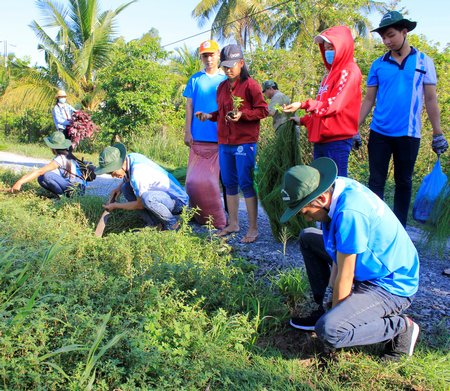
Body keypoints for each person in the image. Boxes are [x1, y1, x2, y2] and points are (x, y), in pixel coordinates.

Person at [280, 157, 420, 360]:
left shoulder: (350, 212)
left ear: (320, 199)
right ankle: (324, 310)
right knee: (308, 237)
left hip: (391, 284)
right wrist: (331, 301)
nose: (306, 218)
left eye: (305, 212)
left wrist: (335, 321)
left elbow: (345, 274)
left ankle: (401, 328)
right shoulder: (336, 189)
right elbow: (338, 254)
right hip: (365, 266)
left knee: (330, 331)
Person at [359, 11, 448, 227]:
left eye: (391, 35)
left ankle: (398, 229)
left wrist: (438, 133)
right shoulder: (378, 64)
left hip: (409, 134)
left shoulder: (423, 61)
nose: (387, 41)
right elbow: (369, 99)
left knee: (404, 182)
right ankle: (375, 225)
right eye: (383, 38)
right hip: (379, 132)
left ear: (404, 32)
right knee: (376, 181)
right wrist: (354, 128)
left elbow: (431, 99)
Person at [196, 44, 268, 243]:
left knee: (246, 183)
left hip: (244, 142)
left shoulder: (251, 85)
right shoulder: (221, 87)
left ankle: (253, 228)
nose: (228, 69)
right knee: (228, 183)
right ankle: (233, 223)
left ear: (241, 63)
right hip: (224, 141)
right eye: (225, 66)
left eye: (232, 65)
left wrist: (242, 115)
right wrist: (209, 116)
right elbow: (221, 113)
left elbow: (263, 110)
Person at [283, 25, 362, 177]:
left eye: (332, 47)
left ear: (343, 47)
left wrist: (303, 104)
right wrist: (303, 120)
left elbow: (333, 106)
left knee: (335, 185)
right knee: (322, 189)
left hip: (336, 141)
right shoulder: (328, 76)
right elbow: (321, 113)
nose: (328, 52)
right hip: (321, 141)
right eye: (325, 48)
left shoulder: (349, 71)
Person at [183, 40, 227, 229]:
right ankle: (196, 214)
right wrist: (187, 131)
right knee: (194, 181)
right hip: (198, 137)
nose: (208, 59)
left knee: (221, 180)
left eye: (211, 55)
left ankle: (226, 217)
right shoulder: (195, 79)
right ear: (201, 58)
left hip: (221, 137)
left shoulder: (226, 79)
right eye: (204, 56)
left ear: (218, 55)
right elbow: (189, 106)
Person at [95, 143, 189, 230]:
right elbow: (127, 177)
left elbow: (139, 205)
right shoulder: (130, 159)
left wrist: (115, 206)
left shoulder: (138, 174)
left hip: (178, 202)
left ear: (119, 164)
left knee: (147, 199)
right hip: (164, 197)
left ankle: (172, 224)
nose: (112, 175)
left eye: (112, 172)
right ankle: (154, 225)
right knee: (125, 187)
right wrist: (117, 189)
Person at [9, 131, 86, 197]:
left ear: (53, 147)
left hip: (76, 190)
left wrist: (20, 182)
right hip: (79, 189)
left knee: (46, 176)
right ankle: (63, 195)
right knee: (42, 177)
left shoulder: (61, 158)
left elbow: (40, 171)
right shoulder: (67, 155)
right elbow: (39, 171)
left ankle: (62, 197)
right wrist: (20, 181)